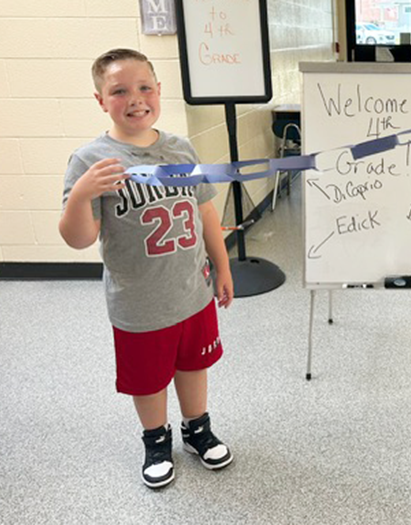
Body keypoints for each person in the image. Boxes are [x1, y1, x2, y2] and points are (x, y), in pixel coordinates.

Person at [59, 48, 235, 488]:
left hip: (191, 290)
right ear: (101, 100)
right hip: (139, 302)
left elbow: (206, 212)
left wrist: (223, 264)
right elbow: (78, 238)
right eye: (119, 91)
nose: (134, 99)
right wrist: (81, 194)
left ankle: (197, 428)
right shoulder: (91, 160)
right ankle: (156, 440)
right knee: (149, 379)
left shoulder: (179, 147)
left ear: (159, 91)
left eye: (143, 88)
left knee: (194, 365)